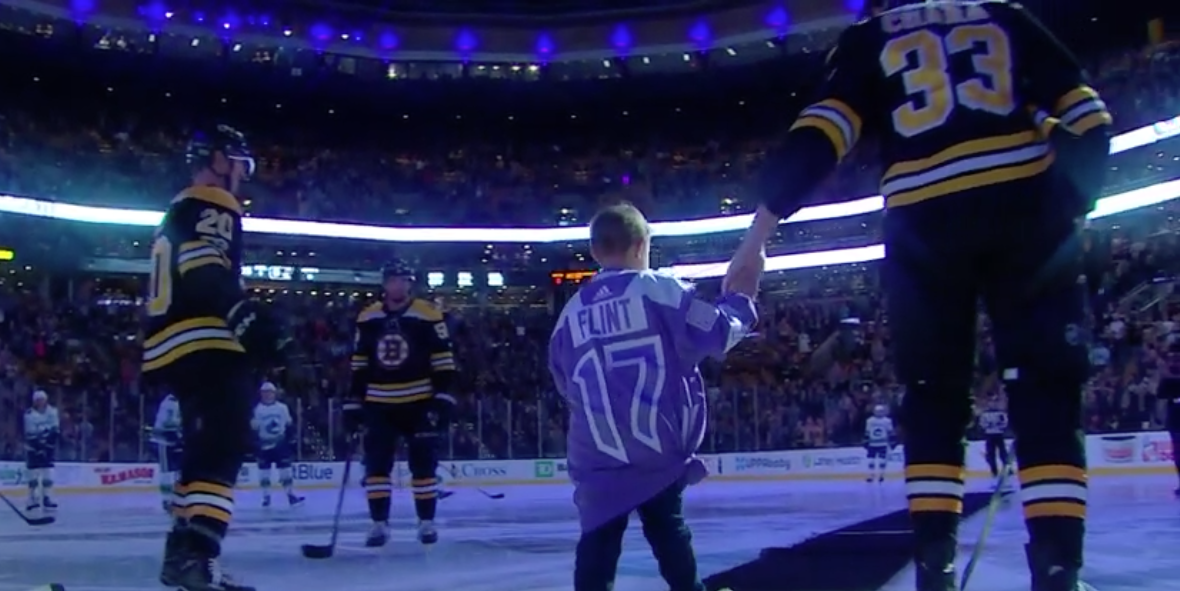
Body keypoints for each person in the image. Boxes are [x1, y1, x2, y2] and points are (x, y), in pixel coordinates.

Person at [724, 1, 1112, 589]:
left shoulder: (869, 36)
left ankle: (935, 566)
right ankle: (1058, 569)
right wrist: (1071, 204)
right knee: (1047, 398)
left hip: (924, 222)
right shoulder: (1005, 16)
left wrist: (758, 235)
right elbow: (1089, 120)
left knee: (932, 398)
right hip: (1027, 215)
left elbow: (821, 135)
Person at [548, 202, 760, 591]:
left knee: (597, 541)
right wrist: (742, 303)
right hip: (655, 449)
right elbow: (718, 333)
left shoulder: (568, 315)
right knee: (668, 529)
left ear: (595, 252)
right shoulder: (658, 289)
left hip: (596, 454)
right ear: (642, 244)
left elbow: (565, 385)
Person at [142, 124, 287, 591]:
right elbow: (205, 268)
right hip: (206, 340)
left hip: (173, 345)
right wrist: (251, 323)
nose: (241, 177)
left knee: (202, 451)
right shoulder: (213, 201)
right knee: (224, 446)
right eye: (239, 164)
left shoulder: (175, 209)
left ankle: (180, 554)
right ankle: (200, 558)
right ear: (220, 160)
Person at [342, 260, 458, 548]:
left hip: (419, 401)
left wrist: (442, 397)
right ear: (385, 283)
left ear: (410, 283)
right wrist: (354, 401)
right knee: (377, 466)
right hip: (379, 402)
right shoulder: (367, 317)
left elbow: (443, 359)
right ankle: (379, 524)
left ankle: (426, 522)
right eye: (393, 279)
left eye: (403, 280)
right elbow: (360, 362)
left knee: (423, 466)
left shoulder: (428, 314)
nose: (398, 285)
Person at [252, 382, 304, 508]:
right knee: (264, 473)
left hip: (280, 444)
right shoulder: (257, 409)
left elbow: (288, 424)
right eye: (265, 393)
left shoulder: (282, 408)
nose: (268, 395)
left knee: (285, 471)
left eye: (270, 392)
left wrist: (291, 439)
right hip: (263, 445)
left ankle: (290, 495)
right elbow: (254, 428)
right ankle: (266, 497)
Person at [24, 389, 60, 512]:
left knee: (48, 474)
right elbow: (30, 432)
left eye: (42, 399)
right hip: (33, 448)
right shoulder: (29, 414)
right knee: (33, 475)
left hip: (48, 448)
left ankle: (47, 497)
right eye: (38, 400)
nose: (40, 402)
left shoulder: (52, 412)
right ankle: (32, 498)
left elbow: (55, 429)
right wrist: (38, 446)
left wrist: (47, 445)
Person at [152, 392, 184, 514]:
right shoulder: (169, 403)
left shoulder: (181, 401)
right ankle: (166, 500)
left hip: (176, 440)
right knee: (166, 472)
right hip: (164, 441)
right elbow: (165, 423)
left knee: (178, 471)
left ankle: (177, 498)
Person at [978, 393, 1013, 489]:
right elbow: (982, 423)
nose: (992, 404)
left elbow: (1004, 422)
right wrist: (987, 427)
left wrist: (1000, 427)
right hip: (989, 435)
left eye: (994, 401)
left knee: (1003, 453)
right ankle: (994, 472)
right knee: (991, 455)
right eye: (990, 401)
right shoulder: (985, 414)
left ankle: (1008, 470)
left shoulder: (1000, 413)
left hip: (998, 434)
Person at [864, 404, 895, 483]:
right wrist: (866, 442)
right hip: (872, 444)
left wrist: (892, 442)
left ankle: (881, 475)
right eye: (877, 411)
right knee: (870, 461)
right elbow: (867, 432)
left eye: (881, 411)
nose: (879, 413)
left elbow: (890, 432)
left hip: (883, 444)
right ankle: (871, 475)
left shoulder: (887, 421)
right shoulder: (870, 420)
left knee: (882, 461)